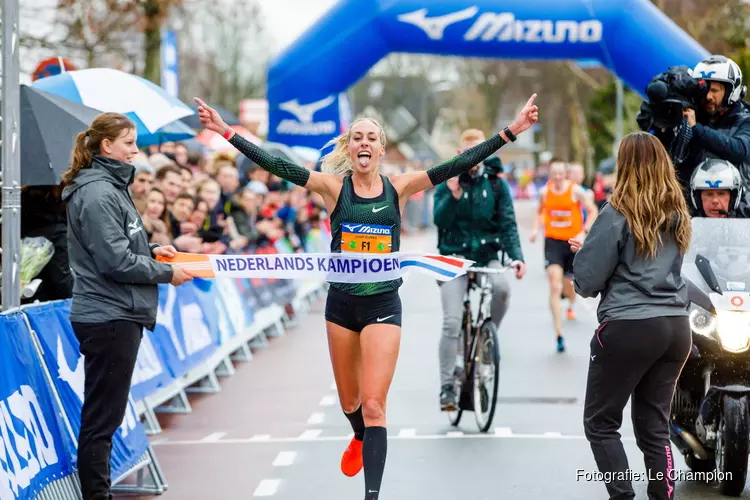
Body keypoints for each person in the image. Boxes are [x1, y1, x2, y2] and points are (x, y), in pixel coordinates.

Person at [194, 94, 539, 500]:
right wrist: (226, 131)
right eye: (356, 137)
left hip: (382, 306)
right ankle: (358, 435)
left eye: (371, 137)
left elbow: (456, 165)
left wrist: (512, 132)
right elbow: (279, 167)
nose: (364, 143)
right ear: (349, 147)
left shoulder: (401, 187)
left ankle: (371, 494)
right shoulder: (332, 188)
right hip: (341, 306)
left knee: (375, 405)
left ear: (380, 147)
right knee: (350, 400)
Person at [60, 112, 194, 500]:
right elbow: (114, 262)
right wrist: (168, 274)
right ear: (107, 146)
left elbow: (119, 247)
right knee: (102, 420)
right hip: (108, 315)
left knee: (106, 416)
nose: (136, 150)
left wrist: (153, 251)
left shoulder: (109, 186)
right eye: (130, 142)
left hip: (115, 313)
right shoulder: (98, 192)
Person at [569, 131, 693, 500]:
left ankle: (622, 496)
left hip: (630, 325)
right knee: (654, 427)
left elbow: (588, 280)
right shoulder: (678, 211)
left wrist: (585, 251)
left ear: (626, 166)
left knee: (601, 422)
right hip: (675, 327)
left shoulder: (617, 210)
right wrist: (594, 245)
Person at [432, 128, 525, 411]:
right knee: (451, 320)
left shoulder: (497, 184)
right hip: (453, 256)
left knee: (502, 289)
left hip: (487, 254)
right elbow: (439, 220)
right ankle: (447, 387)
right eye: (469, 153)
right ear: (461, 154)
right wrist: (453, 193)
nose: (474, 159)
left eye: (480, 152)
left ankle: (487, 339)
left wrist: (516, 257)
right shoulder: (446, 179)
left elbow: (508, 223)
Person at [529, 161, 598, 352]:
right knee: (554, 284)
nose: (557, 177)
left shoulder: (576, 191)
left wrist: (583, 231)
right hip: (553, 242)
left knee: (569, 287)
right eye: (554, 174)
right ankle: (559, 333)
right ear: (550, 174)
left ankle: (568, 297)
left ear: (565, 174)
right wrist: (536, 229)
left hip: (572, 243)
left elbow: (592, 211)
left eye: (561, 174)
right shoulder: (545, 192)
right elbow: (539, 212)